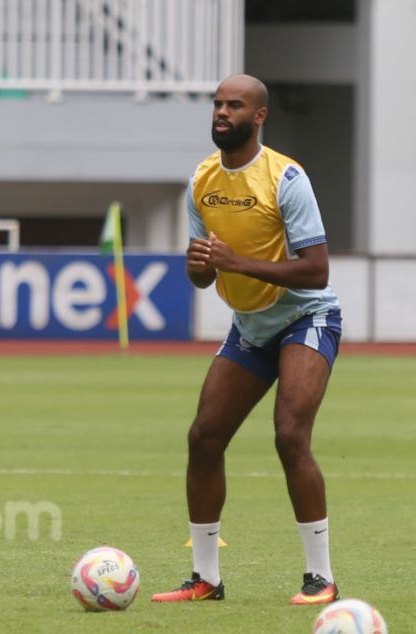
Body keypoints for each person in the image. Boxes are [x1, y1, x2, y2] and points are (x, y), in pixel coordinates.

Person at [151, 75, 342, 605]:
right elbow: (203, 277)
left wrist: (237, 262)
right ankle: (205, 578)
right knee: (203, 438)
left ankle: (321, 579)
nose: (221, 112)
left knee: (289, 436)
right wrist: (199, 267)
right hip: (251, 328)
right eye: (217, 104)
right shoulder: (202, 179)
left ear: (259, 116)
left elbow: (317, 270)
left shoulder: (286, 178)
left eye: (234, 105)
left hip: (307, 318)